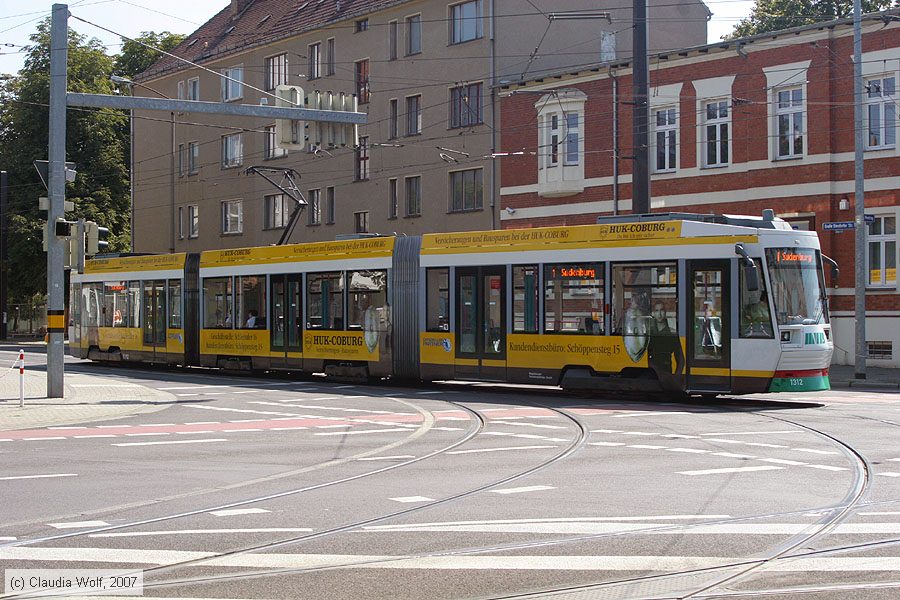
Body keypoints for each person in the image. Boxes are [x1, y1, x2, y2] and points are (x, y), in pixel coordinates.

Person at [647, 302, 685, 392]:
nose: (659, 314)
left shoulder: (672, 334)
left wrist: (676, 376)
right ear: (653, 313)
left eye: (662, 310)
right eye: (656, 310)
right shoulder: (649, 333)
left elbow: (681, 359)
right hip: (652, 373)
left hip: (667, 372)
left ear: (665, 312)